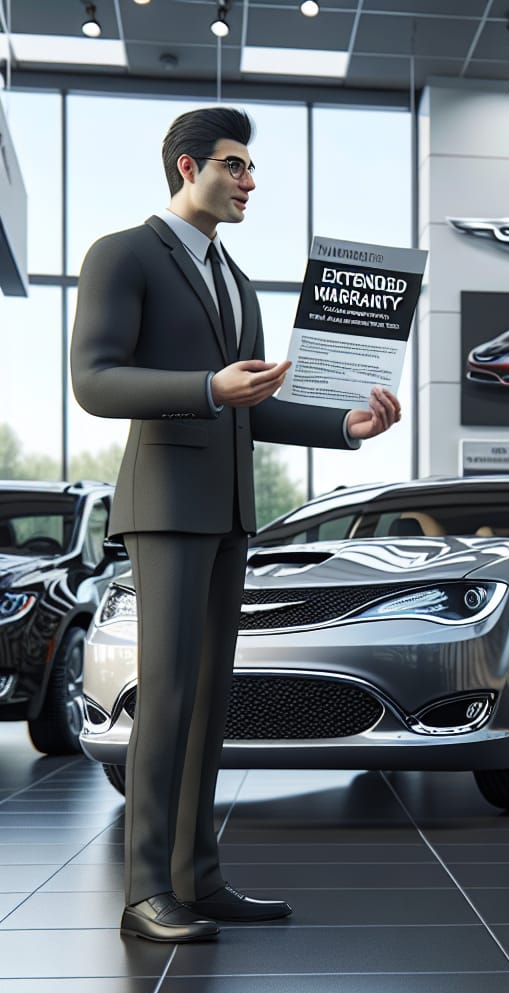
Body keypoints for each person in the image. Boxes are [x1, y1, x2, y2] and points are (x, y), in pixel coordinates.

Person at [70, 107, 401, 944]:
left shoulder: (239, 280)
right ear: (188, 167)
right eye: (235, 165)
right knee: (169, 695)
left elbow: (256, 402)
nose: (250, 181)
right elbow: (96, 380)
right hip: (166, 507)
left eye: (251, 168)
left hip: (228, 511)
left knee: (212, 699)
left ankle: (197, 878)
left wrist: (343, 428)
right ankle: (148, 891)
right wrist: (208, 387)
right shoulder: (124, 254)